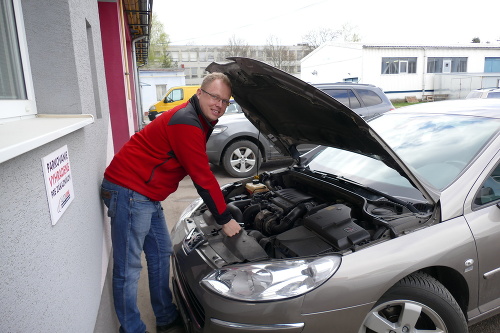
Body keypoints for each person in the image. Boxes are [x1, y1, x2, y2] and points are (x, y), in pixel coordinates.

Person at [100, 72, 241, 333]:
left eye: (224, 100)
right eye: (214, 96)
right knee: (129, 267)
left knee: (159, 254)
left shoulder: (199, 119)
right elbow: (201, 175)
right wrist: (224, 218)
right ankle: (131, 329)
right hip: (128, 189)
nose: (218, 104)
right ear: (199, 93)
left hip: (146, 192)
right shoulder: (186, 121)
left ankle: (165, 317)